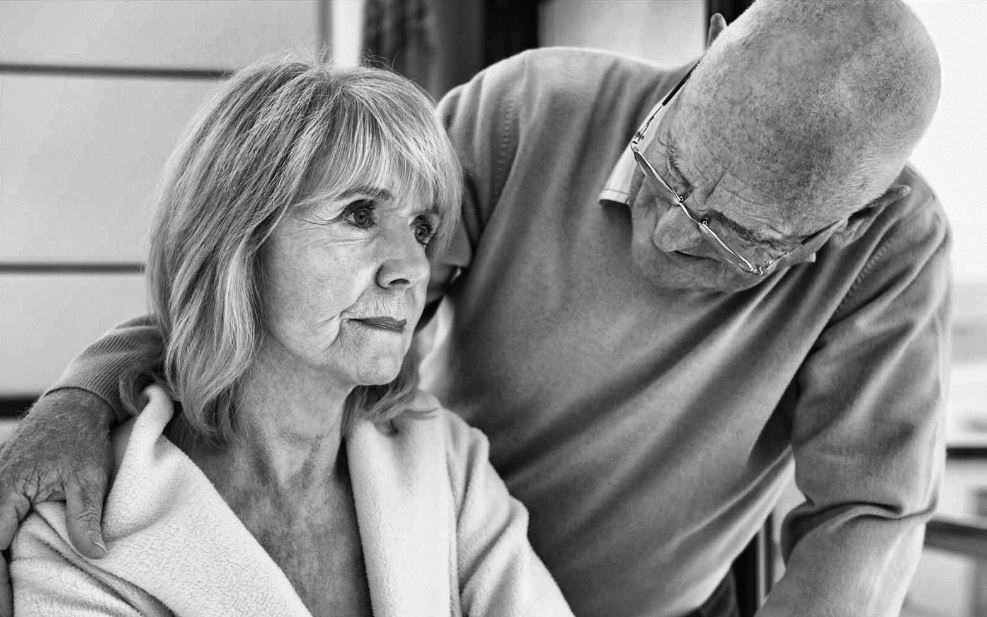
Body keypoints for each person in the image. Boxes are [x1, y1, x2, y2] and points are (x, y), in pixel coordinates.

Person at [0, 1, 949, 616]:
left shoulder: (893, 248)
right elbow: (285, 293)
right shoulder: (527, 109)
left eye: (731, 239)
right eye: (664, 173)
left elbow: (865, 516)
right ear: (701, 57)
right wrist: (82, 395)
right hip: (438, 552)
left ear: (842, 226)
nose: (663, 234)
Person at [5, 58, 573, 617]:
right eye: (358, 214)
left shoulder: (447, 461)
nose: (414, 268)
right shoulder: (80, 526)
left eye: (422, 229)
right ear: (236, 240)